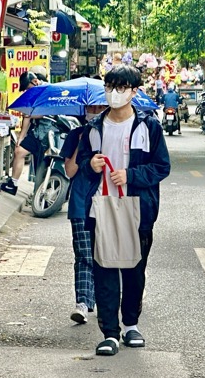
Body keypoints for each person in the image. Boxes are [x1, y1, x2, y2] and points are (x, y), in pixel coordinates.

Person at [64, 65, 170, 356]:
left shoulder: (149, 127)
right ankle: (109, 332)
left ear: (134, 91)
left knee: (134, 268)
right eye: (110, 87)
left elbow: (162, 167)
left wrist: (131, 175)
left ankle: (131, 325)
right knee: (104, 269)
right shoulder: (93, 128)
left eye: (121, 87)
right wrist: (91, 165)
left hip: (138, 208)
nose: (114, 93)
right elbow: (79, 167)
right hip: (101, 207)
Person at [60, 104, 107, 325]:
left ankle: (110, 298)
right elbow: (69, 171)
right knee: (84, 255)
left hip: (109, 202)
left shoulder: (114, 134)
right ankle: (83, 303)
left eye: (100, 107)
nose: (95, 111)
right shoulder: (75, 135)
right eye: (91, 107)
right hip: (80, 201)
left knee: (110, 256)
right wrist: (82, 142)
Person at [0, 68, 47, 196]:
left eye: (28, 87)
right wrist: (21, 137)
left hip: (49, 133)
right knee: (19, 151)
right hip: (37, 132)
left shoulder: (48, 91)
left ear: (35, 81)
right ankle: (13, 184)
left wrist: (30, 115)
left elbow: (45, 113)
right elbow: (27, 116)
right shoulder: (33, 93)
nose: (27, 91)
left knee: (42, 162)